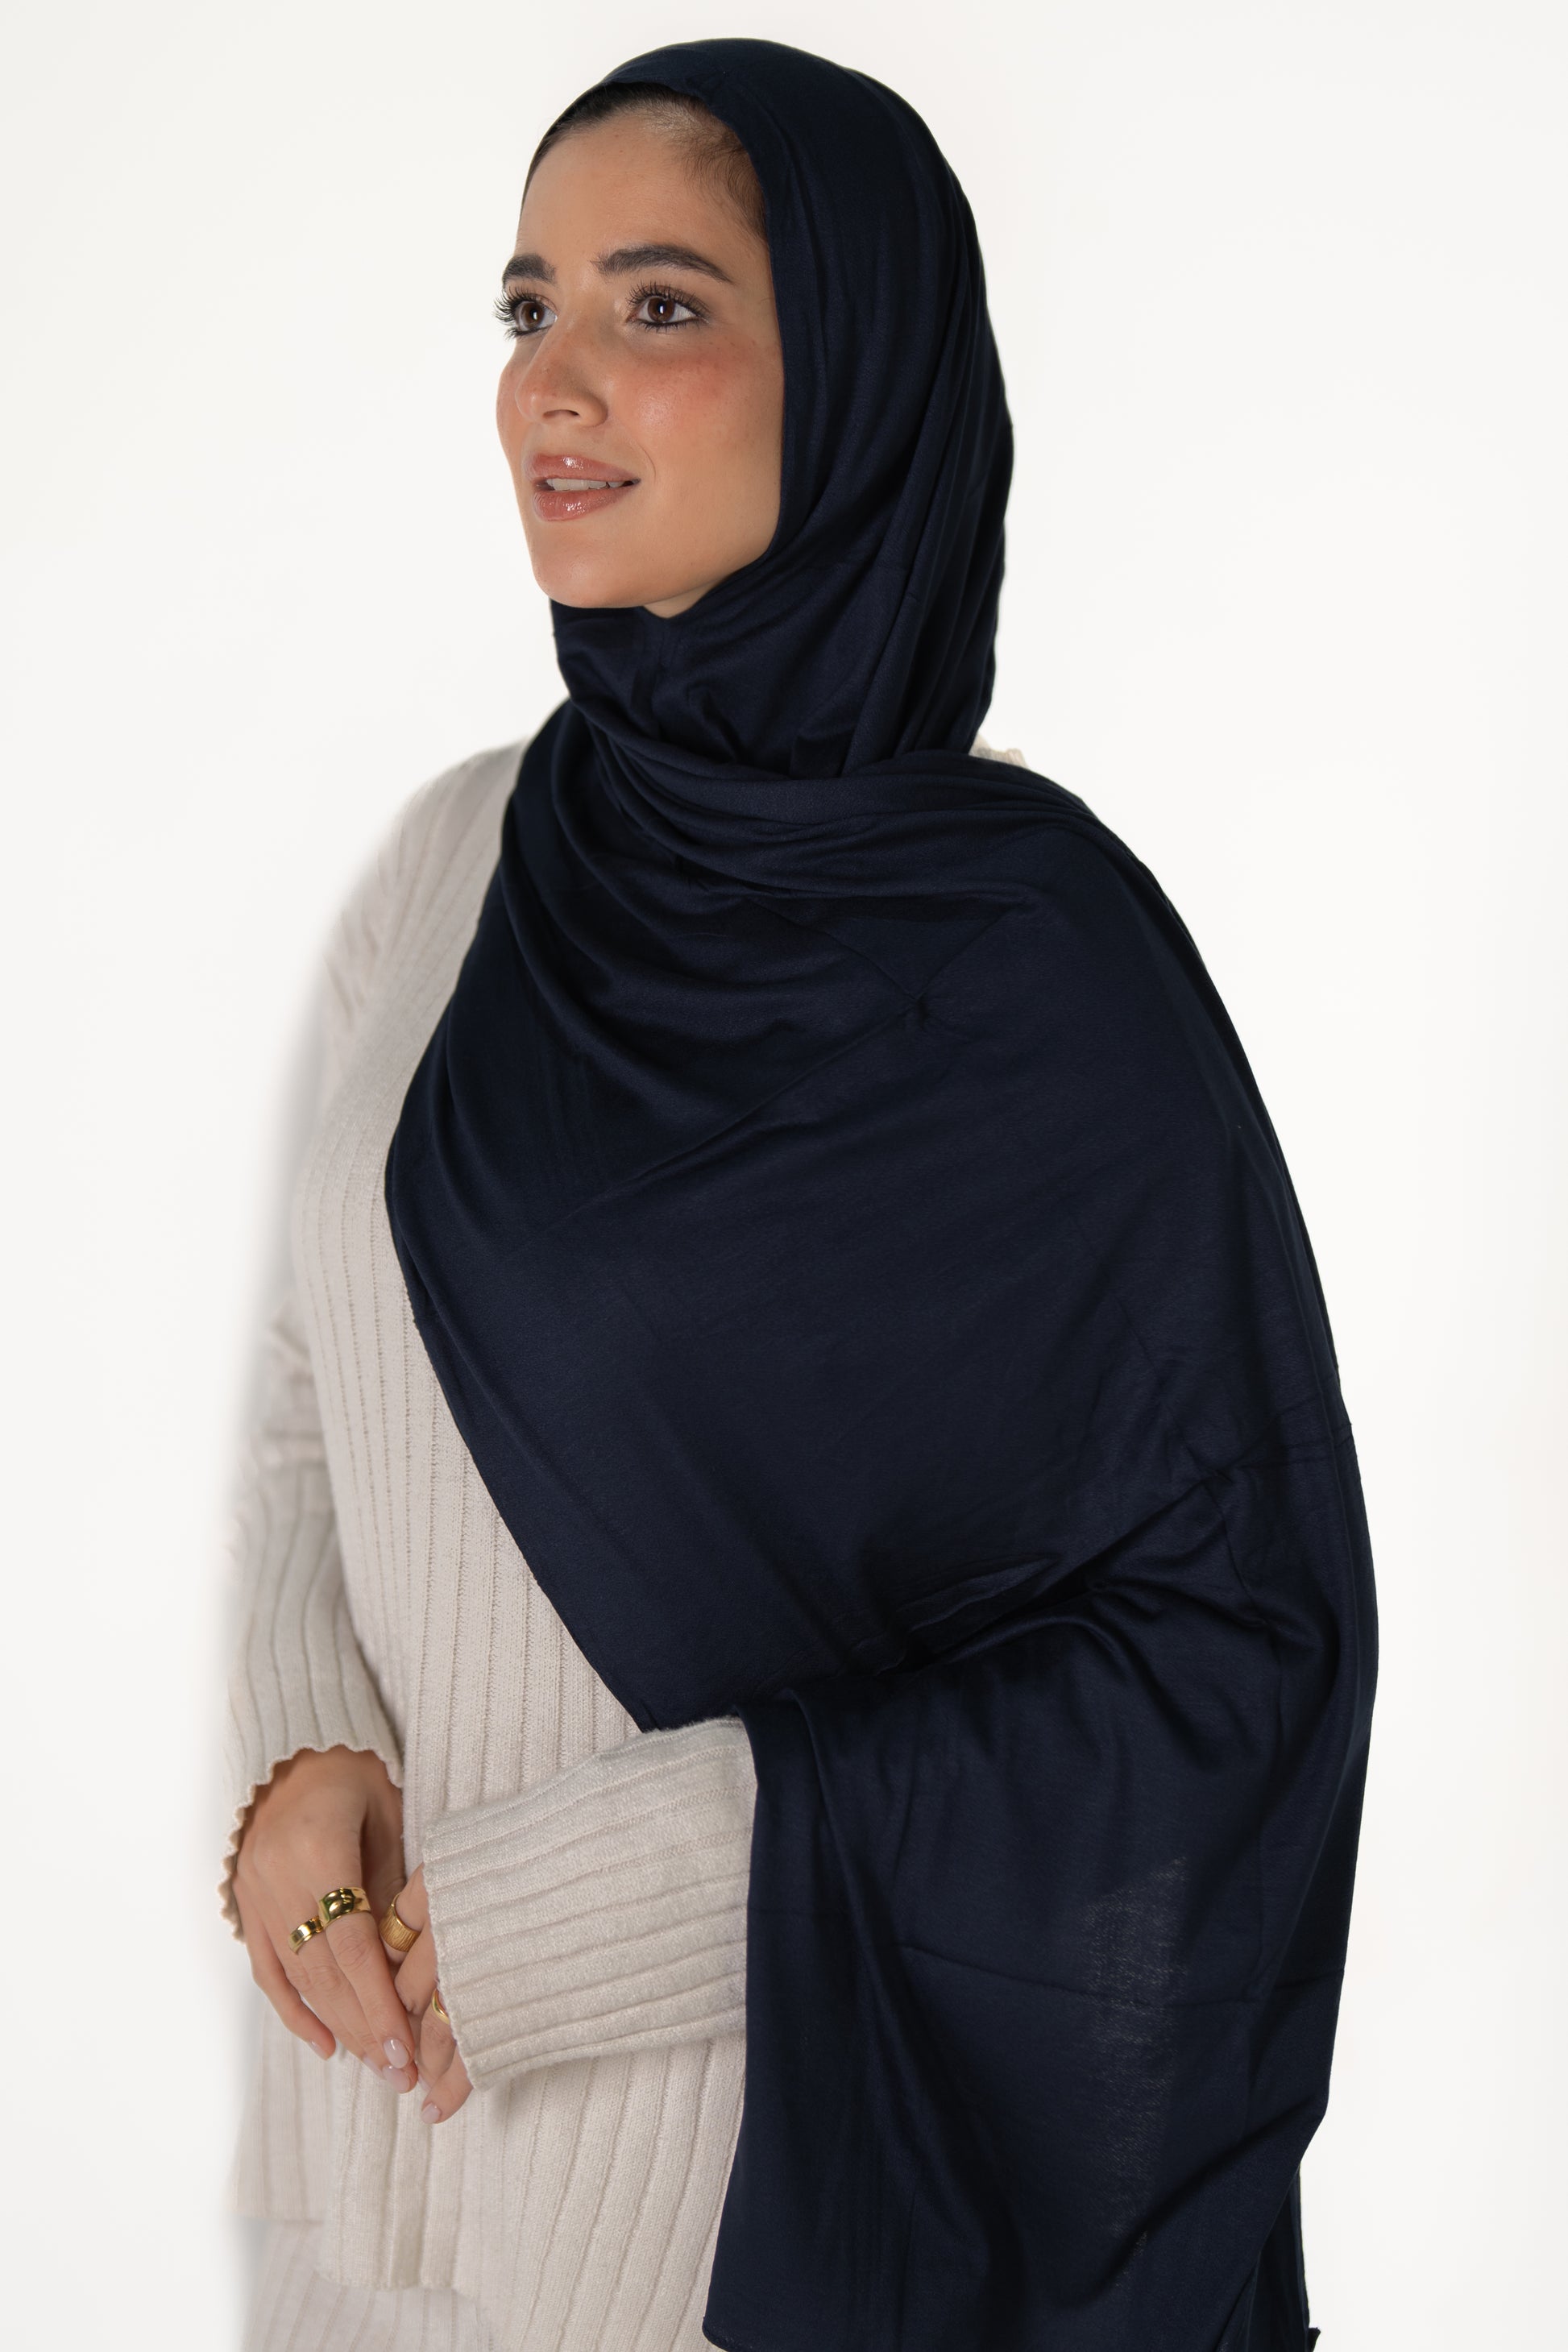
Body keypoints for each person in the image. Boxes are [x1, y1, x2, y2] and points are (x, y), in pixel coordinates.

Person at [223, 38, 1375, 2352]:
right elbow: (312, 1387)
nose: (554, 383)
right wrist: (304, 1747)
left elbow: (1220, 1663)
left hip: (758, 2226)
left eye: (657, 305)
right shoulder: (458, 862)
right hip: (370, 2210)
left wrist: (561, 1911)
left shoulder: (1026, 965)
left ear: (854, 374)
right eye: (527, 305)